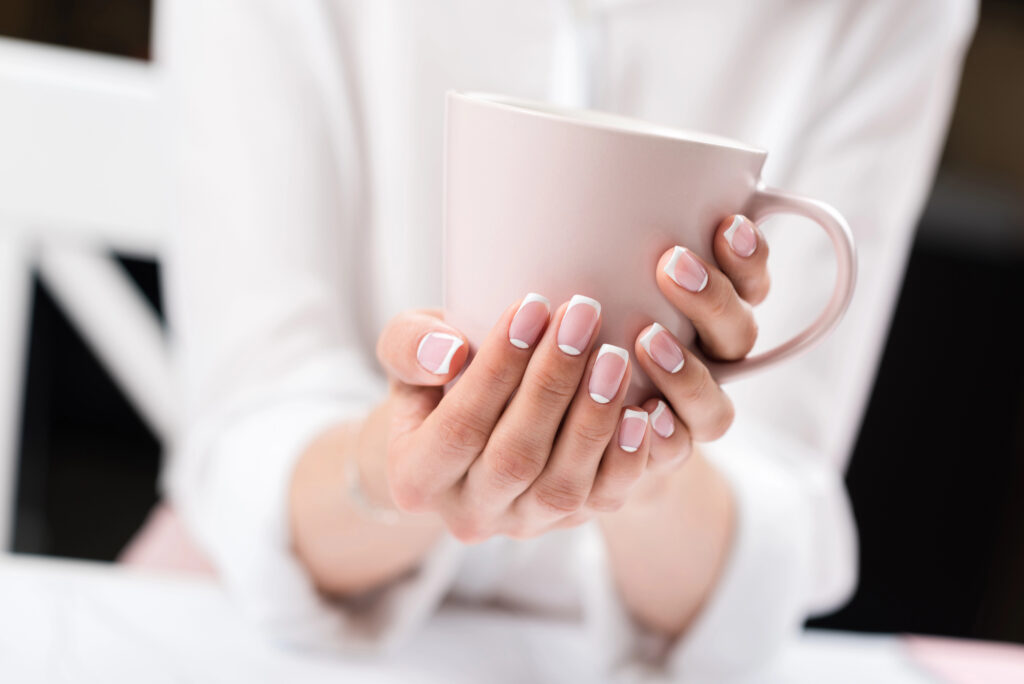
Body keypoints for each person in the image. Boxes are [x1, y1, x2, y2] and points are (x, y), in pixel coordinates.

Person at [134, 0, 975, 679]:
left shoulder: (886, 13)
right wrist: (398, 464)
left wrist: (643, 467)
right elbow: (245, 439)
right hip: (258, 627)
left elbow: (777, 515)